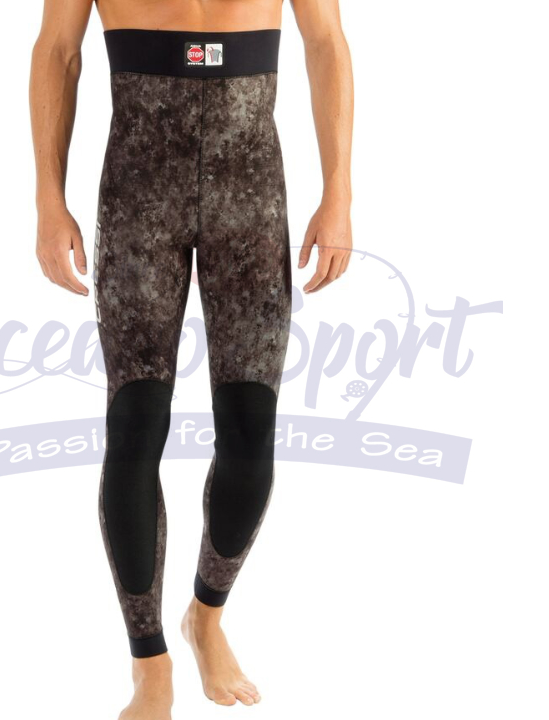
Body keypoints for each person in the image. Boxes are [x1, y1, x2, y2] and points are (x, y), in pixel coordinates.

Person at [29, 1, 353, 717]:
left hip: (251, 189)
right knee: (135, 427)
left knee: (251, 432)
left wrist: (339, 191)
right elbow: (58, 51)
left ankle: (206, 616)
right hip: (140, 189)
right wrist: (49, 200)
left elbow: (327, 41)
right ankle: (150, 662)